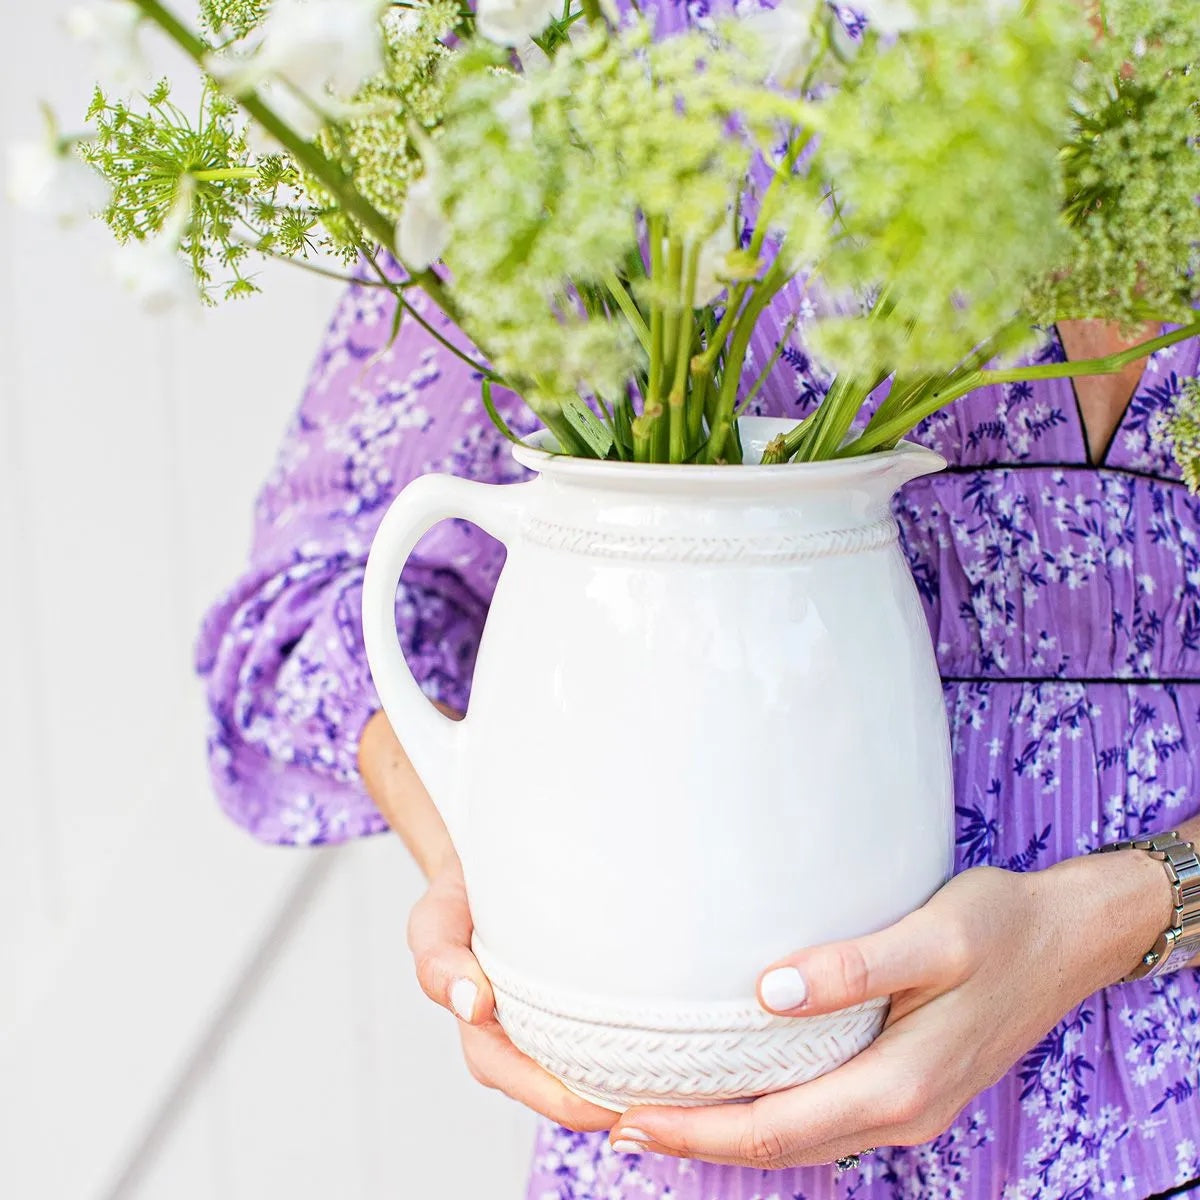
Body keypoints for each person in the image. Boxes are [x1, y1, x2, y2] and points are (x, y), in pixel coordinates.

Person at [194, 18, 1200, 1200]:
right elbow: (317, 598)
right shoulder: (607, 44)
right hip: (728, 1121)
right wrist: (485, 857)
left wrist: (1130, 907)